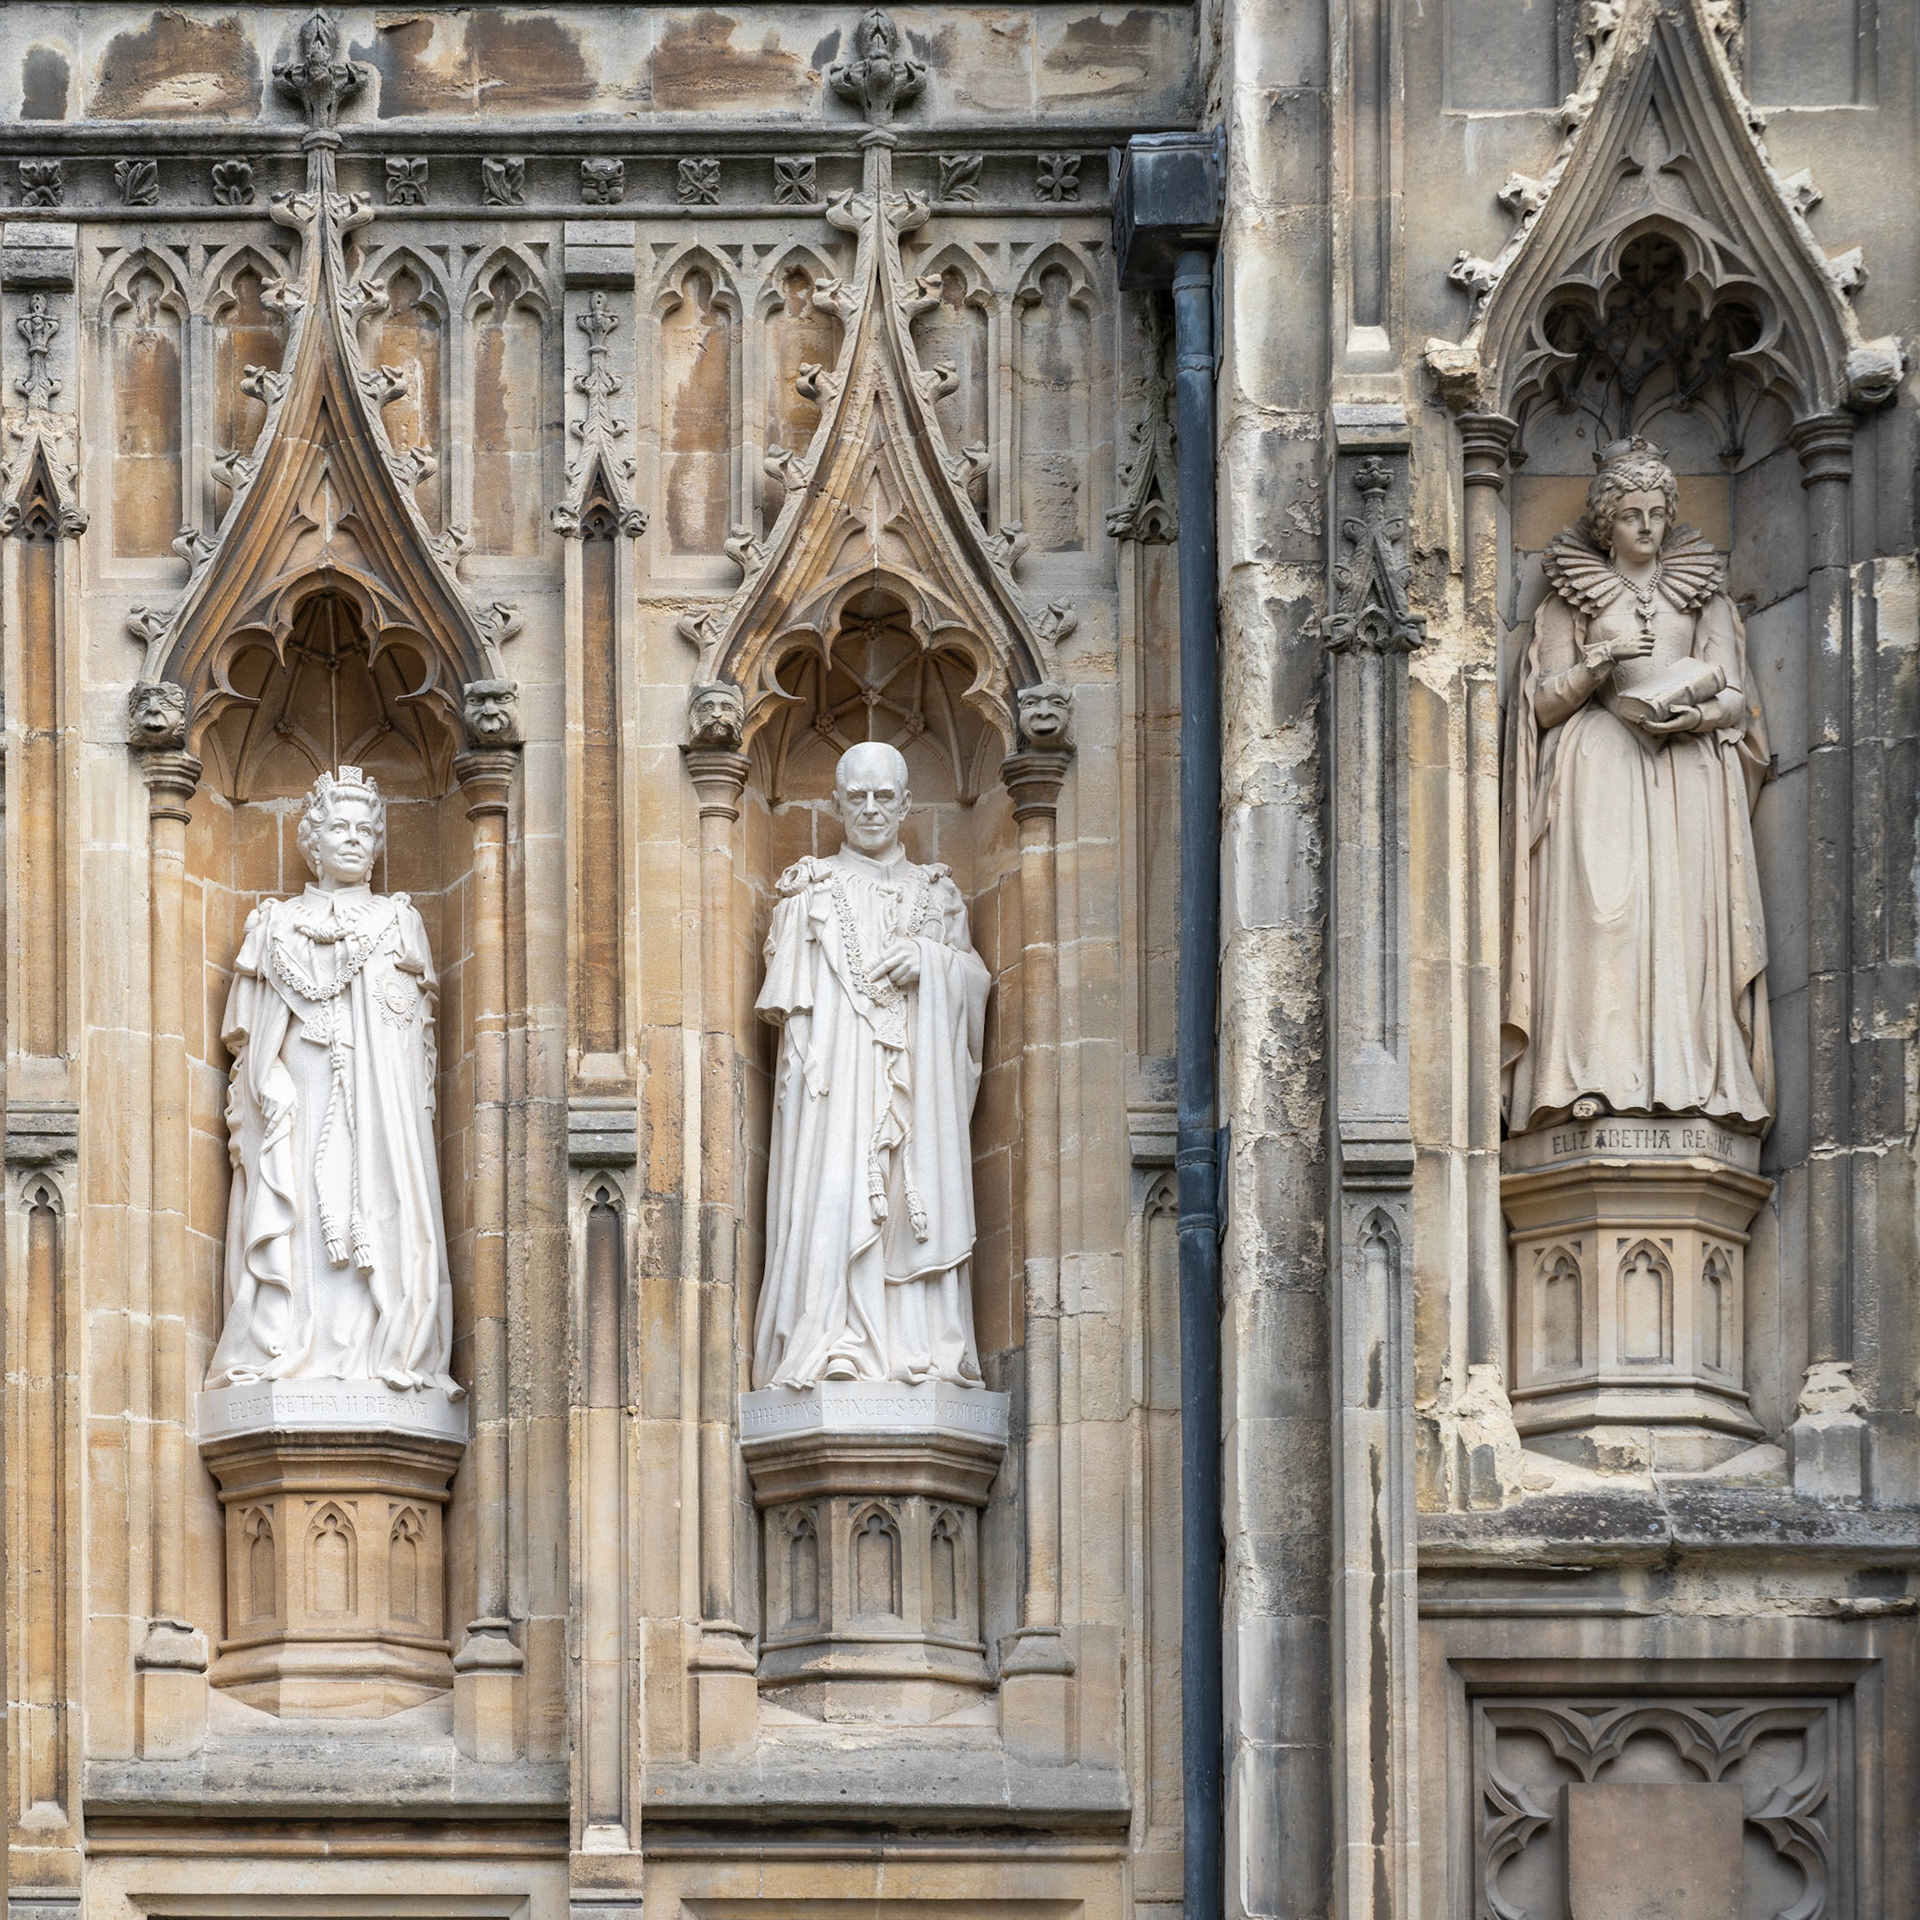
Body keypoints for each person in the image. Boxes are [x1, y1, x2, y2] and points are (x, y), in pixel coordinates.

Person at [1501, 437, 1773, 1135]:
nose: (1648, 527)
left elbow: (1737, 696)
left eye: (1657, 513)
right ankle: (1587, 1075)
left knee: (1683, 924)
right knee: (1604, 920)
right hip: (1601, 768)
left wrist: (1701, 712)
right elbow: (1542, 704)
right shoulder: (1570, 598)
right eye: (1632, 515)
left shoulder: (1701, 595)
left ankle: (1695, 1083)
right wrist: (1596, 665)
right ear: (1607, 523)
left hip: (1689, 774)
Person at [206, 767, 459, 1394]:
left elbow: (413, 1037)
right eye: (338, 827)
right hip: (301, 1095)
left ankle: (382, 1348)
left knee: (376, 1204)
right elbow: (249, 1034)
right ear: (311, 842)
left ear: (377, 846)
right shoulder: (275, 925)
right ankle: (288, 1345)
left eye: (365, 830)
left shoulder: (398, 923)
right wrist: (270, 1082)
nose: (353, 838)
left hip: (377, 1102)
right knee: (300, 1219)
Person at [754, 740, 991, 1389]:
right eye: (856, 796)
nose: (870, 808)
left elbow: (975, 985)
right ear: (835, 803)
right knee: (834, 1200)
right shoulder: (811, 890)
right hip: (837, 1095)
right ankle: (836, 1339)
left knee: (914, 1202)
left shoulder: (937, 898)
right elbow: (793, 1027)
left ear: (907, 803)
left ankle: (918, 1348)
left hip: (920, 1094)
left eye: (884, 796)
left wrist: (933, 965)